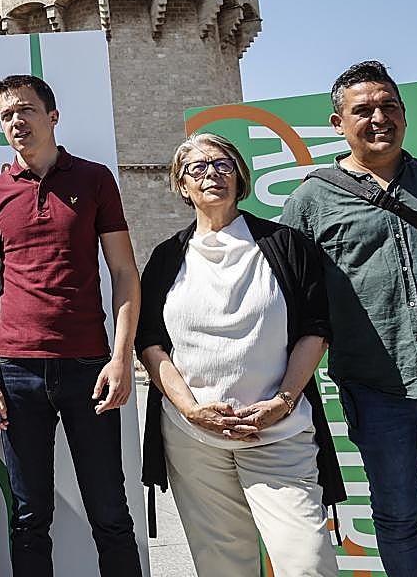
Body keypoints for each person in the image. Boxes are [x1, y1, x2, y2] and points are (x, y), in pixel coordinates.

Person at [280, 60, 417, 576]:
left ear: (404, 115)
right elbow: (293, 298)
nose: (379, 117)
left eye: (389, 107)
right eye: (363, 109)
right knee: (399, 520)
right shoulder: (311, 201)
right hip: (376, 387)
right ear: (338, 123)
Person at [136, 132, 345, 576]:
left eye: (223, 164)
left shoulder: (285, 245)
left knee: (308, 563)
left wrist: (282, 402)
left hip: (279, 432)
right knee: (223, 567)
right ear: (181, 184)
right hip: (194, 441)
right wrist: (191, 410)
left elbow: (315, 329)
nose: (212, 173)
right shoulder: (166, 257)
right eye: (198, 167)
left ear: (241, 178)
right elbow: (150, 343)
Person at [0, 74, 141, 577]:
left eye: (25, 110)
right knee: (27, 516)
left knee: (110, 512)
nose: (16, 121)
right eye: (6, 115)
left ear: (53, 116)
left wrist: (121, 358)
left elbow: (125, 273)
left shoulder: (94, 179)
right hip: (17, 370)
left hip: (90, 365)